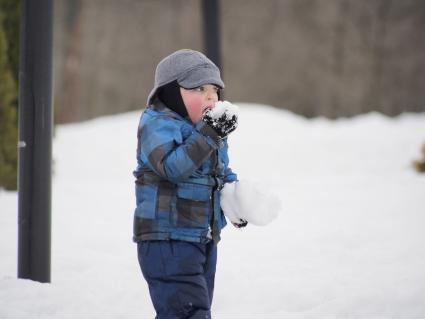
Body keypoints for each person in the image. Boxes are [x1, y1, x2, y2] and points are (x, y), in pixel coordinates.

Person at [133, 49, 246, 319]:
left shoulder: (206, 133)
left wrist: (237, 202)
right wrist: (208, 135)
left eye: (215, 90)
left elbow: (220, 173)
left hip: (201, 238)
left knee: (195, 310)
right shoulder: (157, 124)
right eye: (199, 88)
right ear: (172, 93)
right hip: (167, 240)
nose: (211, 96)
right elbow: (173, 168)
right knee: (189, 313)